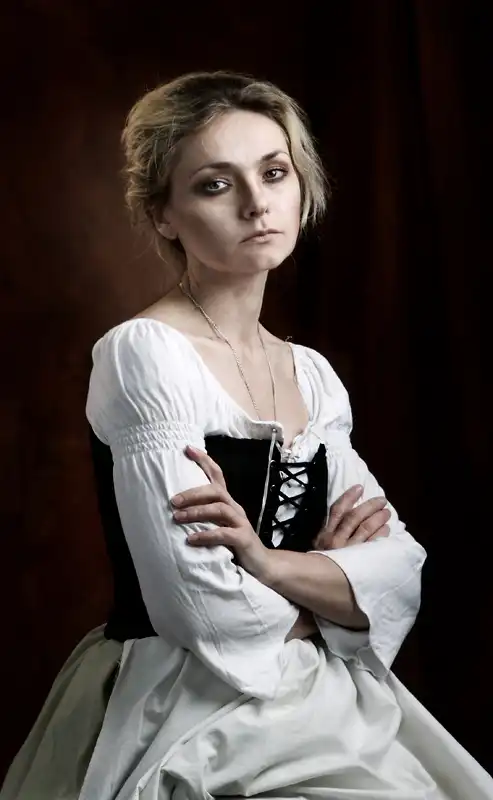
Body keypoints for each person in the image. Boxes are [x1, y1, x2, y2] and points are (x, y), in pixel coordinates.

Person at [2, 71, 492, 800]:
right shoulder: (145, 353)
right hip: (186, 703)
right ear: (163, 215)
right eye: (214, 184)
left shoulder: (312, 375)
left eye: (273, 172)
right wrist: (327, 592)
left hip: (327, 702)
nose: (257, 203)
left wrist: (263, 562)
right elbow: (199, 606)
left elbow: (398, 572)